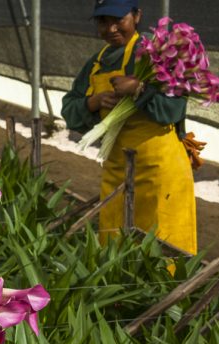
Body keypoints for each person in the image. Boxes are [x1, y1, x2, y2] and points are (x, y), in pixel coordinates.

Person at [61, 0, 197, 255]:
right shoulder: (95, 63)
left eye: (118, 20)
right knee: (114, 243)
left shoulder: (158, 55)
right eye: (103, 21)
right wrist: (93, 102)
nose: (111, 28)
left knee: (163, 245)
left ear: (136, 16)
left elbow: (174, 109)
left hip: (160, 169)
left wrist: (138, 89)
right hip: (116, 168)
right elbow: (69, 109)